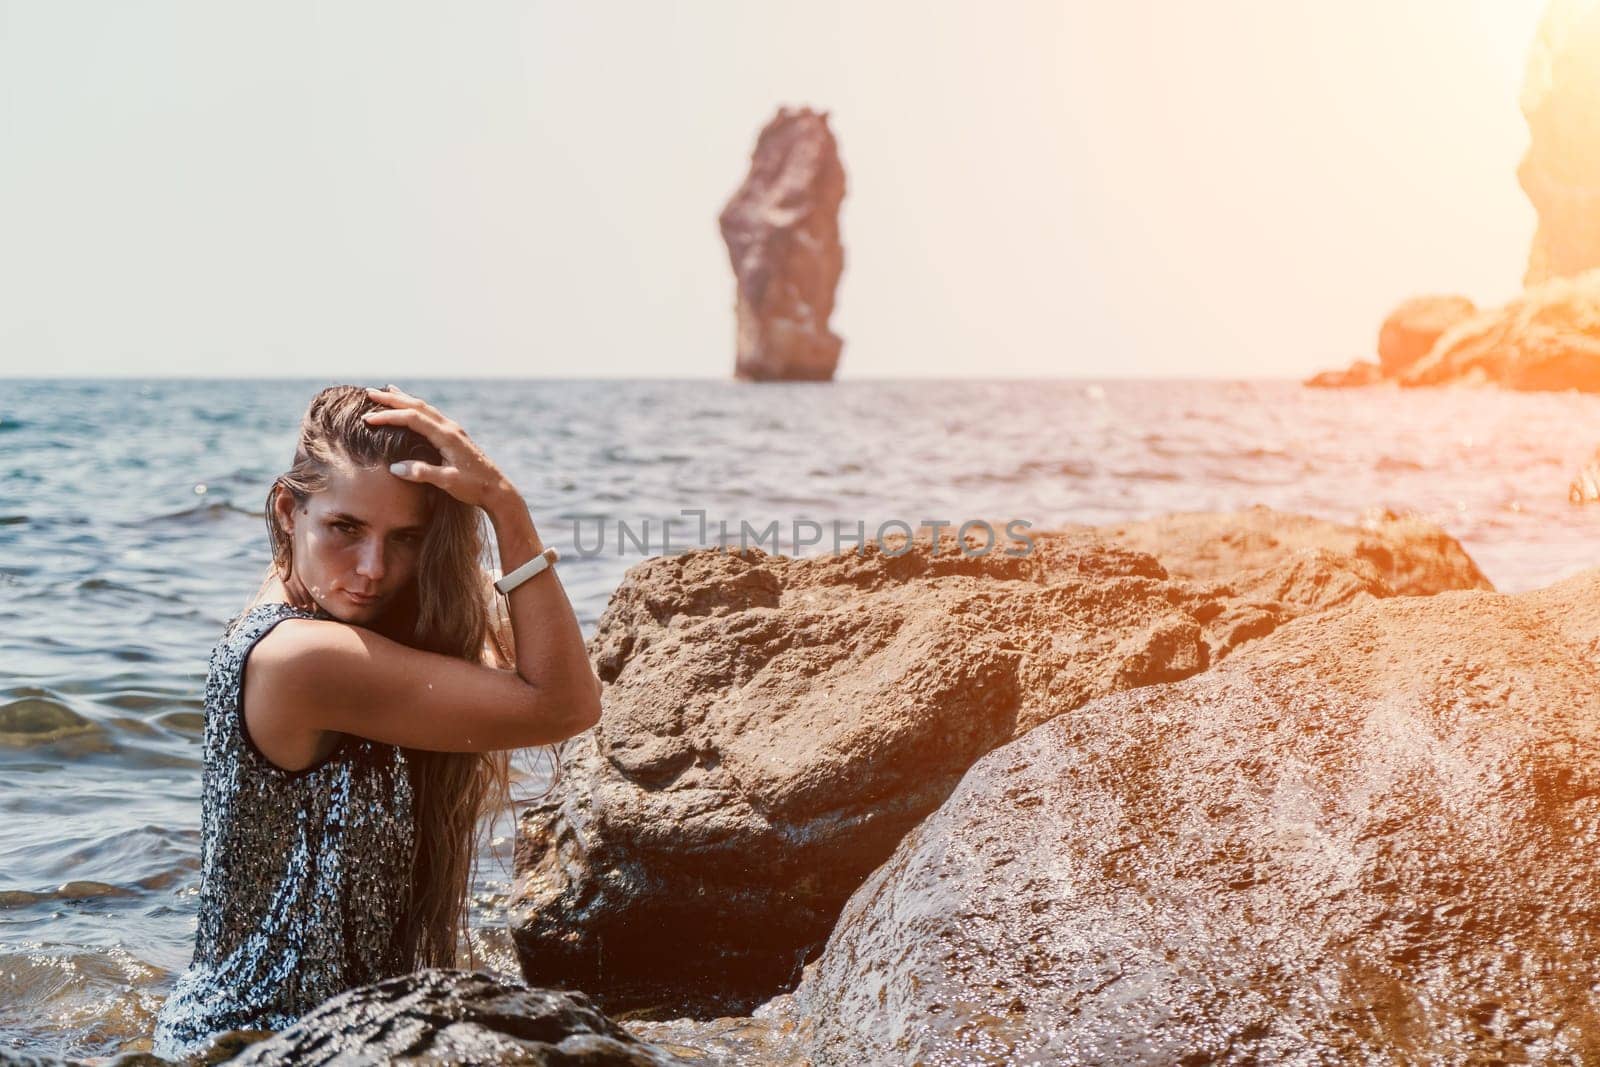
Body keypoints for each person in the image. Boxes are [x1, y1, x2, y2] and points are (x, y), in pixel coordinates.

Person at [150, 384, 602, 1058]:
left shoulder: (307, 605)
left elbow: (532, 672)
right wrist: (507, 507)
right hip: (263, 1039)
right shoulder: (305, 658)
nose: (373, 570)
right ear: (287, 507)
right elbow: (564, 704)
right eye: (345, 528)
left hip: (290, 1033)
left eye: (407, 538)